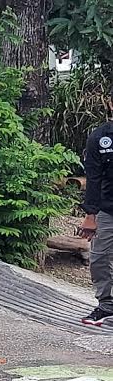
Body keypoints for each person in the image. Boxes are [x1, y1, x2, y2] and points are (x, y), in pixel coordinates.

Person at [79, 87, 113, 326]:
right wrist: (90, 214)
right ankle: (106, 305)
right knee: (99, 258)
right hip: (107, 209)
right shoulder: (100, 138)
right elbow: (93, 177)